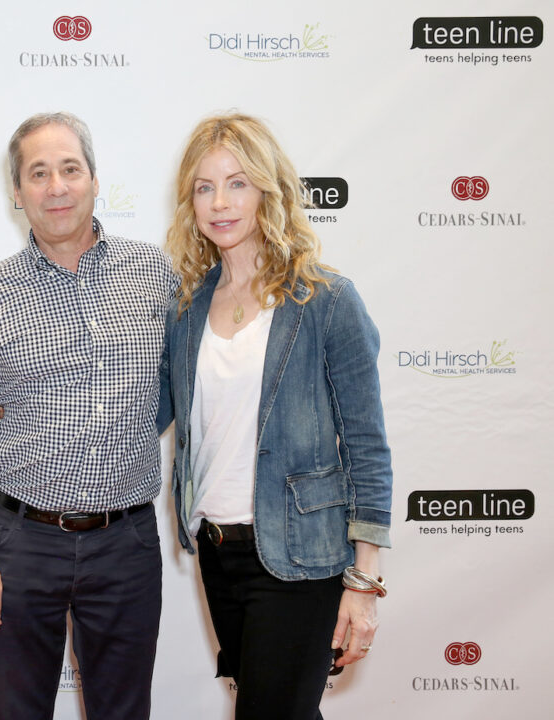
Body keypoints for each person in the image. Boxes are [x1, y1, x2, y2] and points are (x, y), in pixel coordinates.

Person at [157, 114, 392, 719]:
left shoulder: (325, 299)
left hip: (300, 556)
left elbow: (367, 445)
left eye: (237, 183)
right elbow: (151, 413)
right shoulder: (189, 306)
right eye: (204, 187)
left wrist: (363, 585)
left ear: (269, 190)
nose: (220, 202)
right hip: (217, 549)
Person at [0, 111, 176, 720]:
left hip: (126, 543)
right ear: (17, 194)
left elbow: (180, 389)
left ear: (95, 181)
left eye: (70, 169)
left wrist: (121, 440)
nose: (56, 187)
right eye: (38, 174)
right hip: (18, 543)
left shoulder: (154, 274)